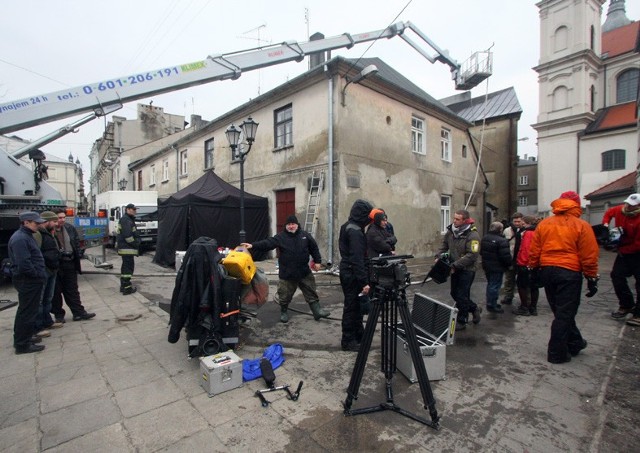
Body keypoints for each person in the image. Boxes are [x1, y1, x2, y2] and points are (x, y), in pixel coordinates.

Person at [528, 191, 599, 364]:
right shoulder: (581, 225)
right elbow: (589, 254)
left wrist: (533, 268)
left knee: (560, 311)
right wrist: (591, 277)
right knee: (565, 313)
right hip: (569, 272)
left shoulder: (545, 224)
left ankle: (575, 342)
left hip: (548, 270)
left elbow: (535, 249)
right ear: (576, 205)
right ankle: (557, 353)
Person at [241, 215, 330, 323]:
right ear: (286, 226)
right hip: (287, 274)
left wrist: (317, 261)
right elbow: (268, 243)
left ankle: (317, 311)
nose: (291, 226)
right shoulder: (280, 237)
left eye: (293, 224)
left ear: (297, 225)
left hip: (304, 272)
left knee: (311, 292)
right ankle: (284, 312)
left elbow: (314, 248)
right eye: (289, 224)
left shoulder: (305, 236)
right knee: (284, 295)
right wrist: (253, 245)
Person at [9, 212, 48, 354]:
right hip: (28, 281)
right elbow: (24, 263)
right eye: (35, 223)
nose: (38, 225)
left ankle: (26, 337)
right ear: (26, 222)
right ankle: (22, 344)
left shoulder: (26, 236)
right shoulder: (20, 239)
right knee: (26, 312)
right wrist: (37, 275)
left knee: (28, 311)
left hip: (31, 280)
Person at [437, 209, 482, 330]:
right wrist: (439, 257)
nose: (454, 221)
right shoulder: (451, 231)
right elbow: (444, 246)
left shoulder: (473, 235)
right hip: (454, 268)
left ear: (465, 221)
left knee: (462, 295)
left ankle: (462, 320)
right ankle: (473, 308)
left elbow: (472, 255)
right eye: (454, 218)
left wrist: (455, 265)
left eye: (457, 219)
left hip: (467, 269)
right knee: (454, 293)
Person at [339, 199, 373, 351]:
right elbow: (357, 259)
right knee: (352, 308)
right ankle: (348, 340)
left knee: (357, 306)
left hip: (348, 270)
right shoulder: (355, 232)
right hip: (352, 273)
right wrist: (364, 282)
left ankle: (359, 334)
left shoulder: (348, 226)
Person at [51, 210, 96, 322]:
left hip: (69, 263)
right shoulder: (48, 231)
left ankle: (78, 313)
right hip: (56, 266)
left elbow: (76, 242)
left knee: (72, 290)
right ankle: (59, 315)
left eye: (63, 217)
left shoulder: (69, 228)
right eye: (59, 218)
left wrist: (78, 254)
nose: (62, 220)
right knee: (56, 292)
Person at [602, 193, 640, 325]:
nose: (628, 206)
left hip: (637, 253)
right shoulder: (620, 209)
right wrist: (605, 225)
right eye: (628, 203)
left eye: (632, 205)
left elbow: (638, 244)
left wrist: (620, 249)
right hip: (623, 251)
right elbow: (608, 213)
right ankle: (626, 304)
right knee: (616, 276)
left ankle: (638, 314)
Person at [34, 211, 64, 333]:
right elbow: (36, 253)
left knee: (48, 297)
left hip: (52, 269)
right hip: (44, 270)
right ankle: (38, 326)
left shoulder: (49, 232)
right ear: (47, 221)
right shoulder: (38, 234)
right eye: (54, 221)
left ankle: (47, 321)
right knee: (39, 300)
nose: (57, 223)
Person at [479, 221, 511, 314]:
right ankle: (492, 304)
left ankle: (491, 303)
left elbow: (482, 252)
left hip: (487, 266)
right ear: (500, 229)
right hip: (497, 267)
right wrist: (509, 264)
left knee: (490, 284)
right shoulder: (502, 241)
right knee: (495, 286)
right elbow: (505, 256)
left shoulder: (485, 238)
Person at [513, 215, 540, 316]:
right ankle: (533, 308)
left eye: (523, 223)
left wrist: (521, 262)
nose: (522, 225)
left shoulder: (528, 233)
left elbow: (526, 250)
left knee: (522, 286)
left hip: (526, 264)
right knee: (534, 286)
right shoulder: (538, 231)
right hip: (535, 264)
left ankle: (524, 307)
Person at [117, 203, 140, 295]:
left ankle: (123, 286)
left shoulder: (127, 219)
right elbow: (128, 236)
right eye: (133, 209)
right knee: (128, 268)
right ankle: (127, 288)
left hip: (126, 248)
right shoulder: (126, 220)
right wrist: (136, 244)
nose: (135, 211)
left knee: (125, 267)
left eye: (135, 209)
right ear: (128, 209)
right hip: (128, 248)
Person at [501, 212, 524, 305]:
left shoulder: (526, 230)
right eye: (515, 221)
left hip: (521, 259)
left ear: (522, 221)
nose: (517, 223)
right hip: (510, 258)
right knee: (509, 279)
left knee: (523, 281)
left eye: (519, 221)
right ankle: (508, 296)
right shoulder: (507, 231)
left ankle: (525, 300)